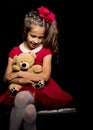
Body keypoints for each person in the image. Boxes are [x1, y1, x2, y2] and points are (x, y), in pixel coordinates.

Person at [0, 6, 73, 130]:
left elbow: (44, 76)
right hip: (18, 89)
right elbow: (7, 78)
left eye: (40, 37)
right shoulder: (15, 51)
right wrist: (21, 81)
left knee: (22, 97)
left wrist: (18, 75)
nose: (36, 40)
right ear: (25, 32)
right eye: (33, 36)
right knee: (29, 112)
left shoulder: (46, 51)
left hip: (40, 89)